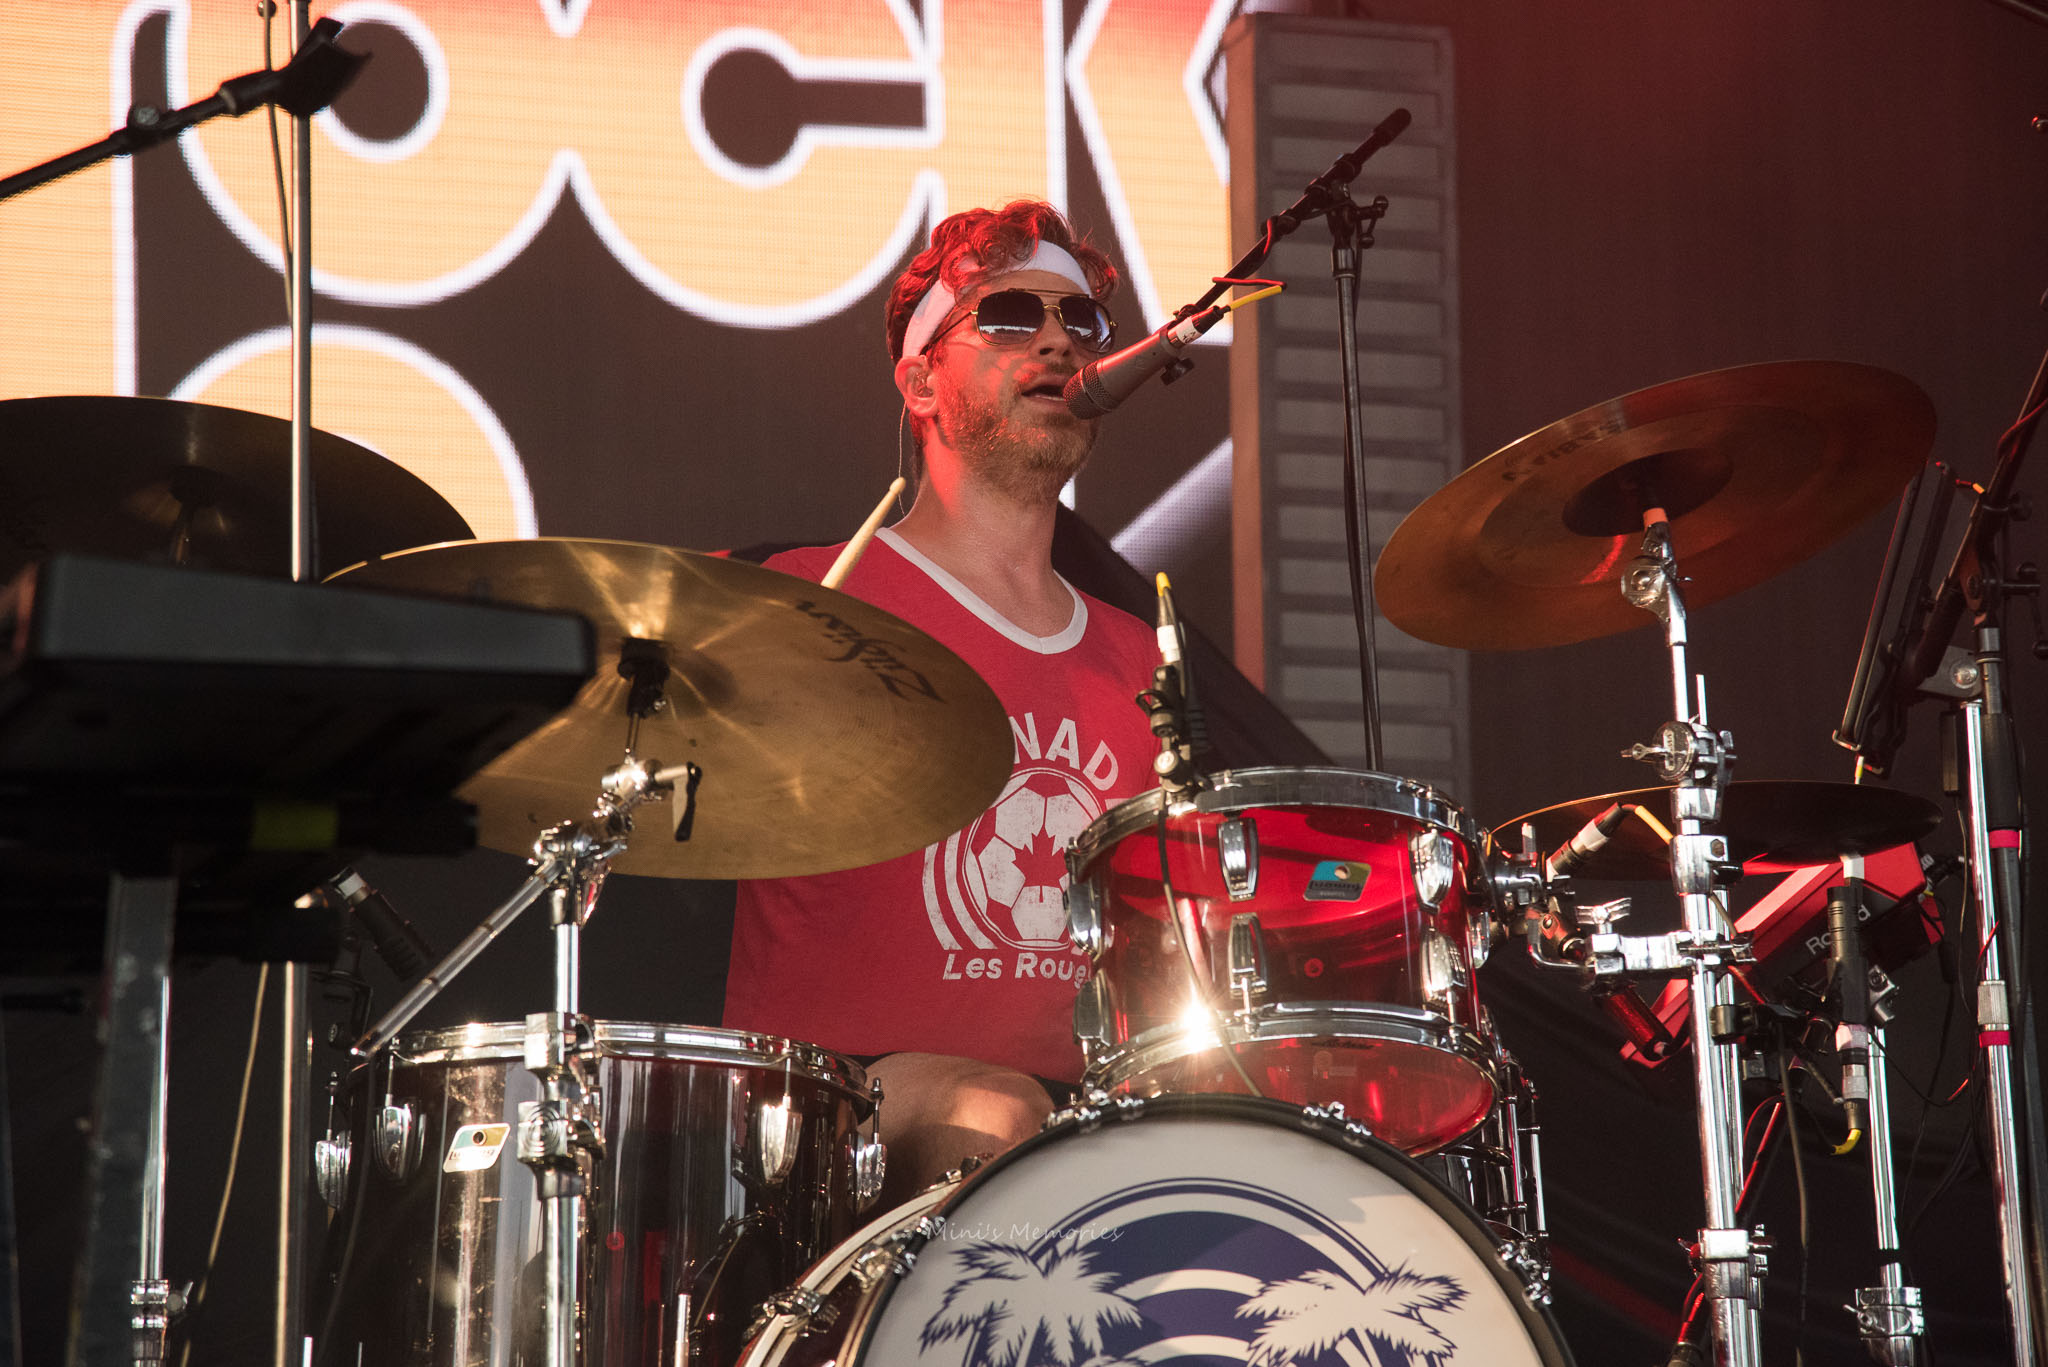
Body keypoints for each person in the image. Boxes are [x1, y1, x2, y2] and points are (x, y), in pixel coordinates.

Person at [722, 200, 1162, 1206]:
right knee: (999, 1112)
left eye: (1079, 319)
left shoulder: (1138, 654)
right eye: (1007, 316)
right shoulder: (814, 595)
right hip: (830, 1095)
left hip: (1081, 1108)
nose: (1055, 340)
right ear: (921, 381)